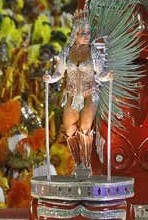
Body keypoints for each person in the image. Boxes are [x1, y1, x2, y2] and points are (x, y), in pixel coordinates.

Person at [44, 9, 113, 178]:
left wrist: (107, 76)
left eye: (88, 33)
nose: (87, 36)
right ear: (75, 33)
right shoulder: (67, 51)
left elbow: (100, 73)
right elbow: (59, 73)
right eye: (83, 33)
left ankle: (87, 164)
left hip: (89, 93)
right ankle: (78, 163)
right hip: (72, 94)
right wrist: (50, 78)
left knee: (85, 128)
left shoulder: (93, 52)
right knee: (69, 130)